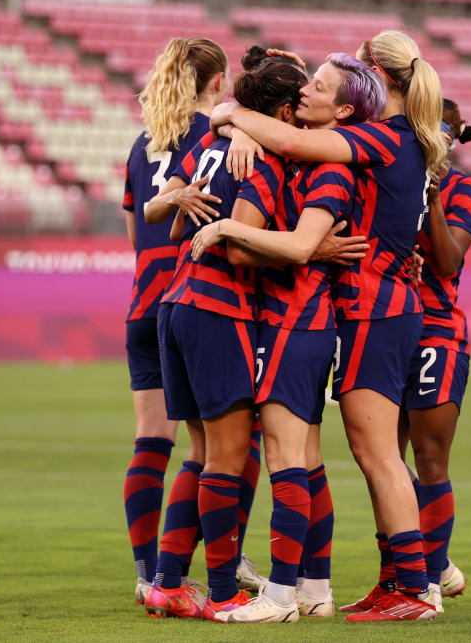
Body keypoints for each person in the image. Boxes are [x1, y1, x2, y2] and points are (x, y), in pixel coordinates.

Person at [211, 29, 447, 621]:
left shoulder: (380, 139)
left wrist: (231, 113)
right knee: (374, 452)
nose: (317, 84)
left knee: (378, 456)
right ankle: (401, 580)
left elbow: (289, 137)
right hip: (380, 302)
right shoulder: (402, 139)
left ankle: (415, 589)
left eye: (343, 73)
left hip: (375, 307)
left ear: (376, 80)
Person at [190, 52, 387, 623]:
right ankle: (315, 587)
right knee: (303, 457)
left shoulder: (331, 169)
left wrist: (229, 226)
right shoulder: (304, 156)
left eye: (317, 87)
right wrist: (229, 119)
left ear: (343, 109)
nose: (305, 93)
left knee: (284, 457)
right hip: (296, 320)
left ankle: (278, 597)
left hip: (296, 321)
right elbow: (237, 114)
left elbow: (301, 247)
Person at [143, 47, 309, 621]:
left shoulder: (214, 143)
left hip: (175, 302)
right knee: (230, 458)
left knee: (201, 452)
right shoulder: (259, 161)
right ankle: (222, 592)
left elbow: (159, 209)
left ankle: (166, 581)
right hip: (218, 309)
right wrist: (306, 254)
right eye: (303, 101)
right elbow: (240, 247)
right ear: (284, 112)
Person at [119, 36, 227, 606]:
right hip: (193, 303)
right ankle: (187, 568)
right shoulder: (217, 137)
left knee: (150, 442)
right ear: (216, 82)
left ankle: (146, 573)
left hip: (142, 303)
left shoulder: (144, 144)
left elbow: (138, 235)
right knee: (222, 448)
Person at [395, 98, 471, 603]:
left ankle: (425, 582)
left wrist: (431, 200)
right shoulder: (389, 174)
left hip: (435, 331)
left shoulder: (465, 189)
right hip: (385, 327)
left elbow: (448, 260)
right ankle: (419, 565)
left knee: (429, 457)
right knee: (379, 456)